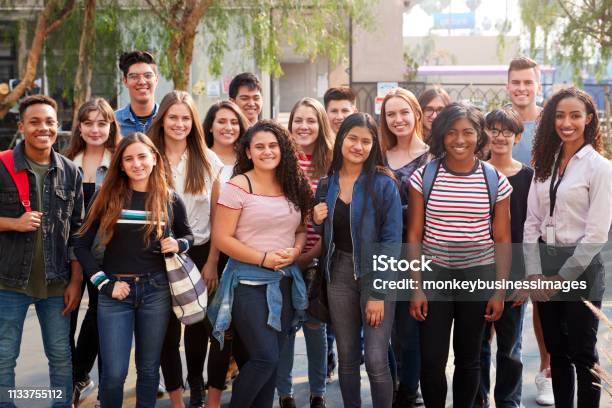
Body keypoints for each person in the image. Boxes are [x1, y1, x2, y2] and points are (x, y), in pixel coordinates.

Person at [74, 133, 193, 408]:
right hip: (115, 293)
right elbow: (80, 244)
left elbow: (190, 236)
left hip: (156, 291)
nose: (136, 163)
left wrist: (178, 243)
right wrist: (104, 283)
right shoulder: (107, 196)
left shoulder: (169, 197)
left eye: (142, 156)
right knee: (114, 373)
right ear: (121, 165)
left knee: (149, 370)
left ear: (154, 158)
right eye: (129, 159)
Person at [408, 103, 512, 408]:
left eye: (468, 132)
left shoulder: (495, 181)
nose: (459, 139)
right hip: (434, 276)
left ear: (479, 136)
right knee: (432, 360)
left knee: (469, 359)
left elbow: (503, 238)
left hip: (477, 279)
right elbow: (414, 235)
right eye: (451, 132)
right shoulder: (423, 177)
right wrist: (416, 287)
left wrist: (499, 290)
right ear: (441, 135)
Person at [207, 120, 313, 408]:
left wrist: (296, 251)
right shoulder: (238, 186)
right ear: (249, 153)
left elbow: (301, 230)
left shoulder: (293, 183)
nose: (267, 151)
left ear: (283, 149)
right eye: (260, 147)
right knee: (265, 357)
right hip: (247, 283)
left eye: (273, 145)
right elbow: (222, 237)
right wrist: (263, 258)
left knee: (274, 363)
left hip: (285, 281)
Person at [523, 87, 611, 408]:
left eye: (575, 115)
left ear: (589, 119)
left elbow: (597, 233)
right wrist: (533, 273)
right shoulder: (545, 162)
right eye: (560, 116)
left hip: (581, 268)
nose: (567, 122)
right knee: (556, 351)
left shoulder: (600, 168)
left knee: (583, 354)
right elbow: (531, 221)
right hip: (544, 263)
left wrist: (561, 278)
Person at [313, 112, 403, 408]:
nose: (358, 146)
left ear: (374, 146)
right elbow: (325, 232)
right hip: (338, 272)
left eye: (366, 141)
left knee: (377, 358)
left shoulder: (383, 184)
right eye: (353, 138)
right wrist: (315, 219)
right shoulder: (327, 185)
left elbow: (392, 242)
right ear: (341, 140)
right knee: (347, 355)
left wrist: (377, 292)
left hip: (377, 274)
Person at [0, 95, 84, 408]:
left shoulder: (70, 171)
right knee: (5, 358)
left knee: (61, 359)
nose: (43, 128)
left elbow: (78, 232)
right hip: (8, 283)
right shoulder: (2, 165)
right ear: (21, 126)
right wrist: (13, 222)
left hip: (56, 284)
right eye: (34, 122)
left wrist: (75, 282)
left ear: (58, 126)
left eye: (49, 122)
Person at [148, 91, 223, 408]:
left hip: (201, 253)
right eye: (173, 117)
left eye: (185, 118)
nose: (179, 124)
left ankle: (197, 387)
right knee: (166, 331)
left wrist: (213, 263)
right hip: (158, 256)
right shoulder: (149, 156)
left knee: (199, 326)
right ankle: (176, 394)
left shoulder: (209, 161)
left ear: (194, 122)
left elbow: (219, 218)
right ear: (162, 119)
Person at [277, 97, 334, 408]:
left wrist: (311, 253)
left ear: (321, 125)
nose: (304, 126)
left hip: (317, 256)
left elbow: (335, 218)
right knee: (284, 327)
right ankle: (284, 394)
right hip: (283, 258)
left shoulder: (331, 164)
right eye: (298, 120)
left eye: (311, 120)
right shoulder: (281, 160)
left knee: (315, 326)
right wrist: (292, 256)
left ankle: (317, 394)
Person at [63, 97, 121, 405]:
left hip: (106, 253)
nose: (95, 129)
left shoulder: (120, 162)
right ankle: (68, 377)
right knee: (66, 314)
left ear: (111, 125)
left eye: (102, 123)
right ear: (79, 127)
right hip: (67, 252)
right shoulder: (65, 160)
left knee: (99, 316)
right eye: (88, 123)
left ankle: (80, 375)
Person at [476, 108, 534, 408]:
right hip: (478, 269)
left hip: (515, 272)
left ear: (518, 136)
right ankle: (479, 398)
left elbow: (533, 228)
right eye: (494, 130)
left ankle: (508, 401)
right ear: (485, 133)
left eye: (506, 132)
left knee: (510, 346)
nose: (499, 137)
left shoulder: (529, 177)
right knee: (478, 343)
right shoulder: (475, 172)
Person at [505, 56, 552, 405]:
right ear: (507, 85)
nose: (521, 88)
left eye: (527, 83)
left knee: (542, 304)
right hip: (503, 229)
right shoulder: (497, 123)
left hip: (543, 228)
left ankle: (546, 374)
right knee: (497, 308)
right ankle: (489, 379)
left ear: (538, 85)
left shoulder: (550, 124)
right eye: (515, 82)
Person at [380, 88, 429, 407]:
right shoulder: (378, 155)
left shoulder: (433, 156)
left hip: (420, 254)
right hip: (382, 253)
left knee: (411, 330)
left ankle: (409, 392)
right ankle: (394, 386)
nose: (398, 120)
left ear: (416, 114)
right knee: (383, 332)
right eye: (390, 114)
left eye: (403, 112)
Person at [202, 100, 250, 408]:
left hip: (248, 254)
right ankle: (210, 398)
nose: (228, 127)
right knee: (219, 332)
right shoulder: (203, 159)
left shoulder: (250, 159)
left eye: (234, 122)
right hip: (212, 253)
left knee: (245, 334)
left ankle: (246, 395)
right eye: (222, 121)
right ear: (210, 126)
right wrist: (211, 262)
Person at [115, 51, 159, 136]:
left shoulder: (167, 120)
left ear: (156, 79)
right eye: (134, 76)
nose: (142, 82)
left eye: (148, 75)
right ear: (125, 81)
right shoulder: (113, 122)